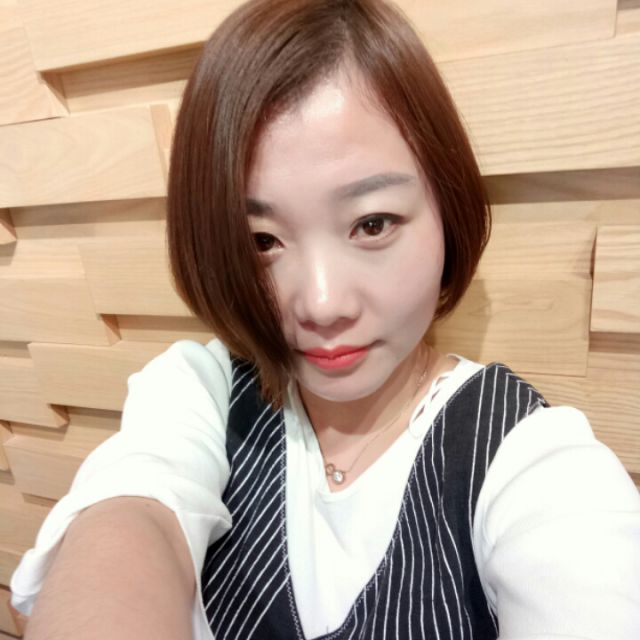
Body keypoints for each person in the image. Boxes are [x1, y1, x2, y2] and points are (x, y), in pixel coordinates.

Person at [10, 0, 640, 638]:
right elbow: (133, 509)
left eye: (372, 223)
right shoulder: (201, 394)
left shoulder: (527, 460)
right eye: (261, 240)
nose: (320, 304)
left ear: (446, 208)